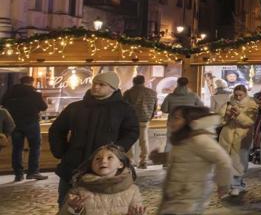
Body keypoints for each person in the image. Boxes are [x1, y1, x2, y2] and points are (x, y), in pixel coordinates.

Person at [48, 72, 139, 205]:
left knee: (102, 205)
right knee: (67, 204)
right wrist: (62, 152)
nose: (96, 87)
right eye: (94, 84)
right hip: (74, 166)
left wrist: (116, 150)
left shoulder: (124, 109)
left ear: (112, 88)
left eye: (101, 84)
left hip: (106, 167)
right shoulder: (75, 107)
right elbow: (57, 130)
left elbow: (132, 131)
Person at [3, 75, 48, 180]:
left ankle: (18, 174)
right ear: (31, 82)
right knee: (35, 147)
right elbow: (44, 107)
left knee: (17, 149)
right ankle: (33, 172)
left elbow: (3, 104)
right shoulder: (34, 94)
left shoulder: (10, 93)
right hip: (31, 123)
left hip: (15, 124)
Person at [218, 84, 258, 195]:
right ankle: (233, 185)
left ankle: (236, 185)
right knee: (227, 161)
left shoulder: (252, 105)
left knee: (240, 161)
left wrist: (239, 115)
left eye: (240, 95)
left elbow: (250, 122)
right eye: (236, 95)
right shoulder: (228, 103)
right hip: (227, 135)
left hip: (241, 136)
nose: (238, 97)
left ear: (245, 93)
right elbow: (220, 121)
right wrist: (227, 116)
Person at [122, 75, 158, 170]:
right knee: (144, 141)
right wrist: (150, 117)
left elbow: (124, 108)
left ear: (134, 82)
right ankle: (144, 162)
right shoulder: (152, 92)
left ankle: (130, 161)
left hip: (131, 120)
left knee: (130, 141)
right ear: (143, 82)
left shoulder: (128, 93)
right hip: (145, 120)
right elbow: (155, 107)